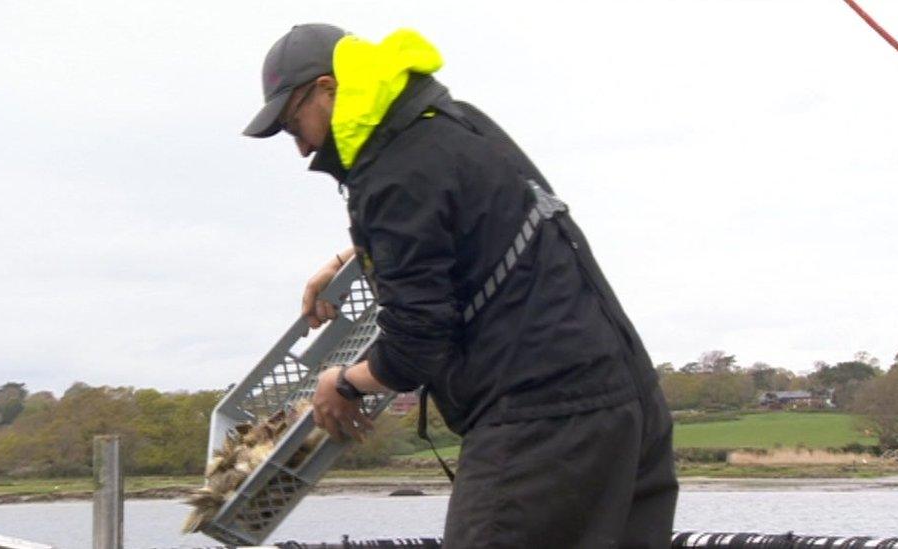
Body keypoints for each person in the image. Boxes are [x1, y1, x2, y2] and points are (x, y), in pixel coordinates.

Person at [243, 23, 678, 549]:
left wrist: (344, 382)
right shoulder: (453, 121)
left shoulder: (394, 174)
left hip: (542, 419)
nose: (300, 147)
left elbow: (415, 347)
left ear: (329, 88)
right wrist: (353, 254)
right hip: (630, 404)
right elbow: (477, 215)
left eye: (294, 126)